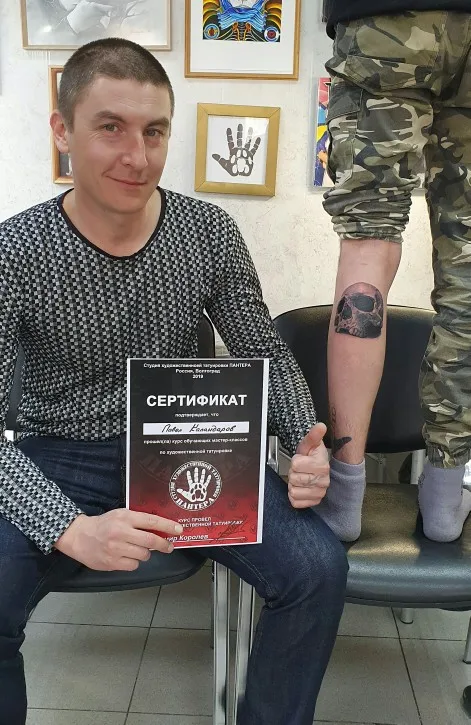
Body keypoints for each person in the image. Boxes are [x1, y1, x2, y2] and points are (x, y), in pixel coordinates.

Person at [0, 38, 348, 725]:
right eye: (111, 127)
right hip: (58, 452)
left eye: (154, 131)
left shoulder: (207, 231)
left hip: (189, 444)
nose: (138, 156)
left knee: (316, 569)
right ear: (63, 130)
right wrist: (67, 528)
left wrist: (300, 438)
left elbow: (263, 351)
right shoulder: (15, 250)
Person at [317, 3, 471, 545]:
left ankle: (345, 498)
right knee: (468, 277)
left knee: (368, 251)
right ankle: (445, 500)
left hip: (385, 14)